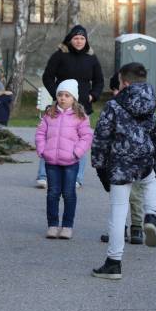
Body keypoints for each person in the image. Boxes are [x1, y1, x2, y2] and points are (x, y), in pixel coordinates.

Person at [91, 62, 156, 280]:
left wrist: (100, 167)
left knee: (118, 211)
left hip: (120, 162)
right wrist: (154, 158)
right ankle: (151, 215)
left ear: (126, 82)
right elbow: (154, 133)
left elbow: (101, 137)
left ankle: (114, 262)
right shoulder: (151, 103)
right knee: (150, 181)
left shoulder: (114, 105)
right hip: (143, 158)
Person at [38, 25, 104, 189]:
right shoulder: (60, 55)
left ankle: (77, 178)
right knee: (51, 137)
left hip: (82, 107)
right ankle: (43, 175)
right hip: (59, 107)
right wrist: (57, 95)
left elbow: (99, 81)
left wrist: (92, 95)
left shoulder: (91, 58)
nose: (79, 41)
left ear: (86, 40)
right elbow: (47, 77)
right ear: (70, 39)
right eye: (76, 38)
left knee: (80, 141)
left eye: (82, 38)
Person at [35, 79, 93, 239]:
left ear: (73, 98)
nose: (63, 98)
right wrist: (42, 149)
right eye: (60, 95)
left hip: (70, 162)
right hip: (51, 162)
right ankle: (52, 225)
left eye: (67, 95)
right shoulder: (49, 114)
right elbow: (40, 133)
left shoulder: (80, 116)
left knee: (69, 193)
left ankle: (67, 226)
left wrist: (77, 152)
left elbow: (86, 136)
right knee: (53, 193)